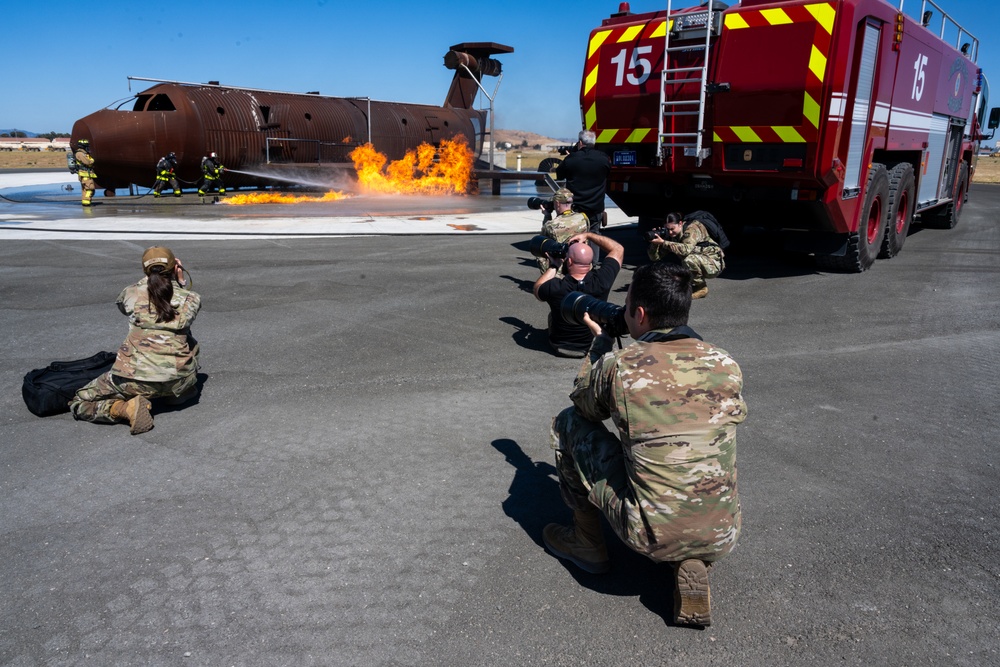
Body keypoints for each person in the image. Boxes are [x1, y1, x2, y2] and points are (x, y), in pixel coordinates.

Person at [542, 260, 747, 627]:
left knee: (568, 423)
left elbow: (583, 406)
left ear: (638, 313)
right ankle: (693, 554)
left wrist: (600, 346)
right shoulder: (726, 362)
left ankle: (587, 544)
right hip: (723, 532)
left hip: (645, 531)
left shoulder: (620, 366)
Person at [69, 247, 201, 435]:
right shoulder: (192, 298)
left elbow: (124, 307)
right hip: (180, 380)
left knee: (79, 401)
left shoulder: (130, 293)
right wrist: (180, 282)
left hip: (135, 381)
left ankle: (125, 409)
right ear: (176, 267)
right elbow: (178, 307)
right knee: (186, 337)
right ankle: (176, 394)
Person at [533, 232, 623, 358]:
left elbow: (537, 289)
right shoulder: (602, 281)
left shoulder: (556, 287)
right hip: (591, 344)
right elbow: (618, 249)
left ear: (569, 261)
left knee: (552, 313)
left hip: (560, 345)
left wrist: (554, 265)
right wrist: (589, 235)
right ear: (590, 261)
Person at [555, 130, 610, 259]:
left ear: (580, 142)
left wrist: (571, 156)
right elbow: (607, 172)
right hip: (596, 205)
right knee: (594, 234)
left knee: (573, 235)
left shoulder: (571, 159)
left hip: (576, 206)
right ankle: (593, 262)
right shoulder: (603, 158)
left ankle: (574, 261)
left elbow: (560, 174)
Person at [647, 212, 724, 299]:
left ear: (680, 223)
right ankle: (692, 284)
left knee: (688, 259)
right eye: (667, 229)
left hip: (713, 263)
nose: (670, 232)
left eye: (672, 229)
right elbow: (654, 257)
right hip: (701, 260)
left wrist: (663, 242)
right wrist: (655, 243)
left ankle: (701, 288)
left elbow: (685, 250)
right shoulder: (672, 234)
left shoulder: (692, 229)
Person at [537, 188, 589, 273]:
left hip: (563, 268)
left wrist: (547, 216)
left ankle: (548, 280)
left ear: (557, 204)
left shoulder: (551, 225)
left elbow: (543, 240)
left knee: (540, 251)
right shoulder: (583, 217)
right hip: (581, 261)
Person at [73, 139, 97, 206]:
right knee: (89, 188)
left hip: (85, 174)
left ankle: (85, 202)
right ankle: (87, 202)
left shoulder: (83, 153)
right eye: (86, 146)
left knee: (85, 189)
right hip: (85, 174)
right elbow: (87, 162)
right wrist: (92, 160)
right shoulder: (80, 153)